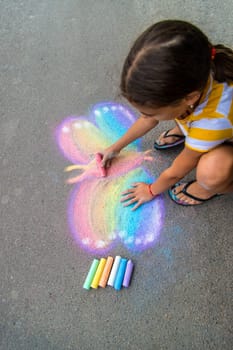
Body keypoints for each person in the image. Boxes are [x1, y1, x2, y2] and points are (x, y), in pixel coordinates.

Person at [101, 20, 233, 209]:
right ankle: (185, 129)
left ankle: (211, 189)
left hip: (223, 136)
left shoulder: (211, 122)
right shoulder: (197, 68)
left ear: (190, 98)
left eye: (149, 112)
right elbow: (150, 118)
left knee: (213, 171)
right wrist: (116, 147)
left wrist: (151, 190)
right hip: (209, 120)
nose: (145, 116)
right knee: (175, 112)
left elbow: (176, 171)